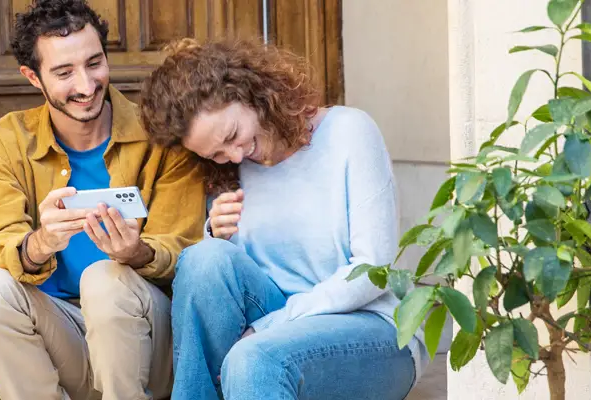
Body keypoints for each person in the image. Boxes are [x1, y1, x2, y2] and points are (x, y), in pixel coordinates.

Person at [138, 38, 429, 400]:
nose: (235, 153)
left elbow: (373, 271)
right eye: (216, 153)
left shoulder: (349, 132)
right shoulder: (229, 170)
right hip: (275, 323)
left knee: (253, 358)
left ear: (249, 93)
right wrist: (216, 233)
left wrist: (270, 326)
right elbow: (219, 287)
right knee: (203, 258)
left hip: (372, 329)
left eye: (232, 135)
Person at [0, 1, 206, 399]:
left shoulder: (160, 135)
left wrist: (137, 253)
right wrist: (40, 244)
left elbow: (187, 250)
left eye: (94, 63)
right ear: (33, 77)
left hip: (147, 341)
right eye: (63, 72)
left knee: (104, 279)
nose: (86, 85)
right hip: (61, 341)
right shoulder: (6, 142)